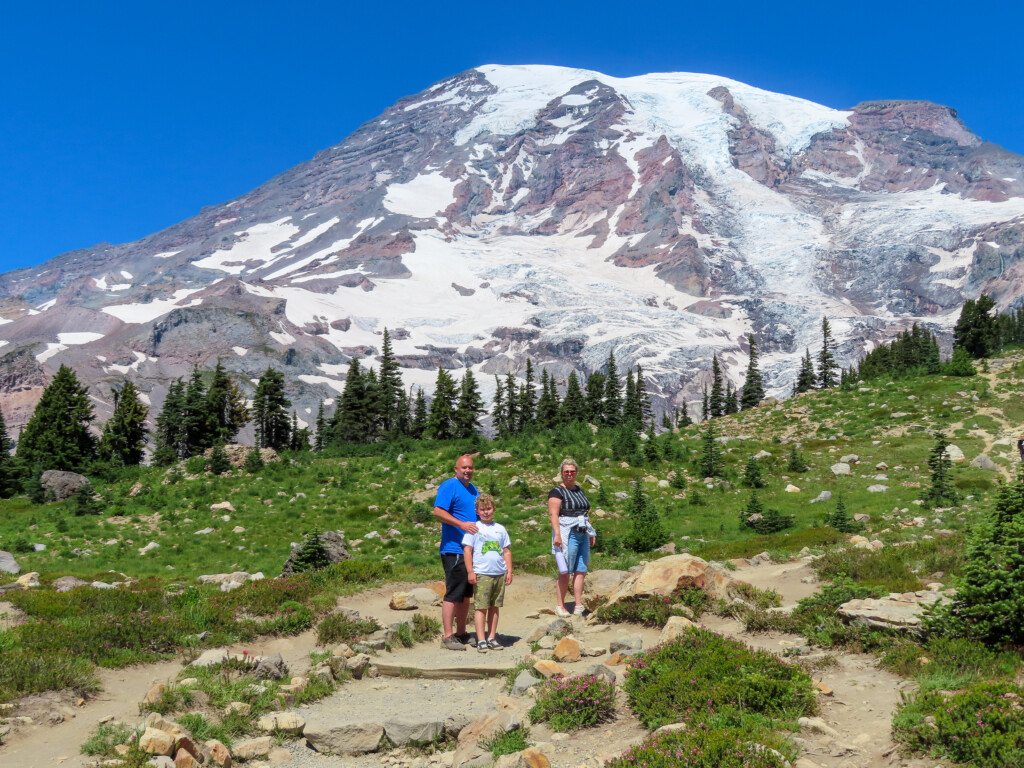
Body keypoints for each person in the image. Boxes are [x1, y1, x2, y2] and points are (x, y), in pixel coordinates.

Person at [432, 454, 479, 650]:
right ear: (456, 469)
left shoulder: (473, 489)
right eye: (463, 468)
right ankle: (447, 636)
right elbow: (438, 511)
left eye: (470, 468)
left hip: (469, 549)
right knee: (453, 592)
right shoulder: (449, 486)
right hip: (454, 548)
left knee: (466, 593)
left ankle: (461, 632)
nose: (467, 471)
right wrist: (461, 524)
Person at [462, 494, 513, 652]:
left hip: (499, 572)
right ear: (477, 511)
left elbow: (506, 551)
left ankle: (492, 637)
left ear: (494, 509)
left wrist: (509, 570)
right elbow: (467, 550)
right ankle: (481, 639)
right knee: (481, 607)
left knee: (494, 606)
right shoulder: (474, 529)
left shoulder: (500, 529)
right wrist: (470, 571)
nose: (486, 512)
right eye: (482, 509)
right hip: (482, 573)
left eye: (488, 509)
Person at [547, 457, 596, 617]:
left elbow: (586, 512)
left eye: (572, 471)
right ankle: (560, 605)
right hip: (568, 533)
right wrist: (557, 535)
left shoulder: (579, 489)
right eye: (566, 471)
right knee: (566, 570)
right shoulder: (557, 492)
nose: (569, 474)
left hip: (582, 531)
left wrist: (591, 532)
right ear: (562, 473)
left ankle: (578, 604)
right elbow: (553, 514)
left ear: (576, 473)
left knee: (581, 569)